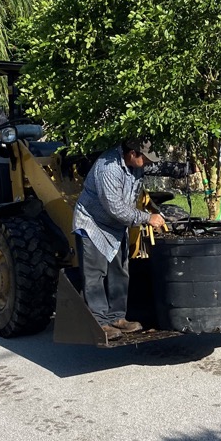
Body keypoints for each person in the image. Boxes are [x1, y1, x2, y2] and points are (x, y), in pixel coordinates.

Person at [72, 138, 166, 340]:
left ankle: (117, 317)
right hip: (93, 224)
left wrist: (185, 169)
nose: (149, 163)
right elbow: (115, 208)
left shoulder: (135, 164)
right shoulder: (109, 168)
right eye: (146, 159)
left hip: (115, 226)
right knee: (95, 275)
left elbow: (160, 167)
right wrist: (147, 218)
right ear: (132, 154)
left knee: (119, 272)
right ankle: (99, 322)